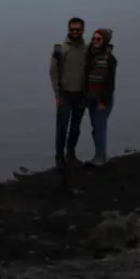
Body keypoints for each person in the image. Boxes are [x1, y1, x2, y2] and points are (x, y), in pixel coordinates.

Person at [49, 16, 88, 167]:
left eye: (78, 29)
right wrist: (57, 94)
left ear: (83, 30)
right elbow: (53, 73)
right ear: (68, 30)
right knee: (62, 127)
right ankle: (59, 157)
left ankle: (71, 154)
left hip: (81, 94)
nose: (75, 32)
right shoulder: (60, 49)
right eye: (72, 29)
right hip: (65, 94)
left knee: (76, 127)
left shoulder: (87, 49)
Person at [83, 28, 117, 167]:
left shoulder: (110, 59)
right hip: (90, 98)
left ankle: (101, 157)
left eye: (99, 39)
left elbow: (110, 83)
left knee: (99, 127)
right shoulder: (89, 55)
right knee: (95, 128)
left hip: (102, 99)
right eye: (94, 38)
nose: (95, 41)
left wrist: (104, 101)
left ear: (105, 41)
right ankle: (98, 155)